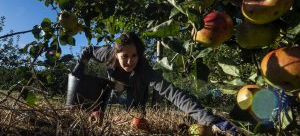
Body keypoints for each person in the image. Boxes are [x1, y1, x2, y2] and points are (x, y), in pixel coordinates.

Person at [67, 32, 241, 135]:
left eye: (134, 55)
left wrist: (210, 120)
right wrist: (78, 70)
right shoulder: (106, 54)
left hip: (137, 86)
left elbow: (173, 93)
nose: (129, 61)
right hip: (115, 82)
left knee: (137, 112)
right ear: (116, 54)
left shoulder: (144, 69)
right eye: (124, 57)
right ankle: (93, 116)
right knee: (104, 95)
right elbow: (87, 50)